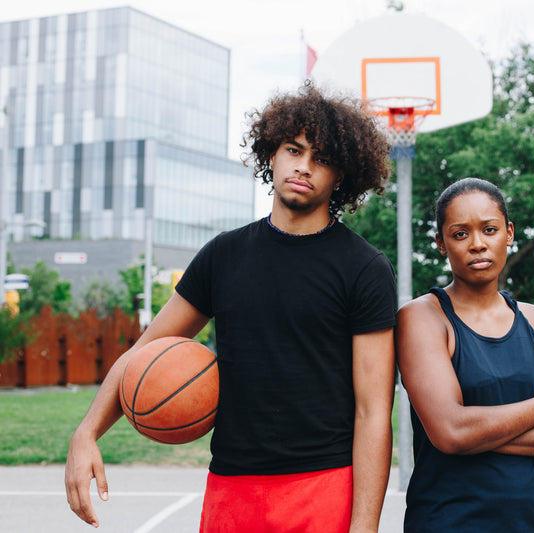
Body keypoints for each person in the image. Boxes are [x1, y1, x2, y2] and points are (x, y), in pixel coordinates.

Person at [65, 84, 398, 532]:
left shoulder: (364, 268)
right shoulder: (224, 255)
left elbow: (373, 411)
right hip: (232, 488)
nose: (303, 165)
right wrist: (86, 433)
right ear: (272, 154)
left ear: (342, 175)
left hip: (322, 488)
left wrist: (364, 527)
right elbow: (145, 351)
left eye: (322, 158)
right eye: (293, 149)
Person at [396, 177, 534, 532]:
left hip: (533, 525)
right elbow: (450, 432)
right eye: (460, 234)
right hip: (448, 523)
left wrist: (479, 436)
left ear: (509, 233)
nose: (477, 244)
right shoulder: (422, 318)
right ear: (440, 243)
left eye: (489, 229)